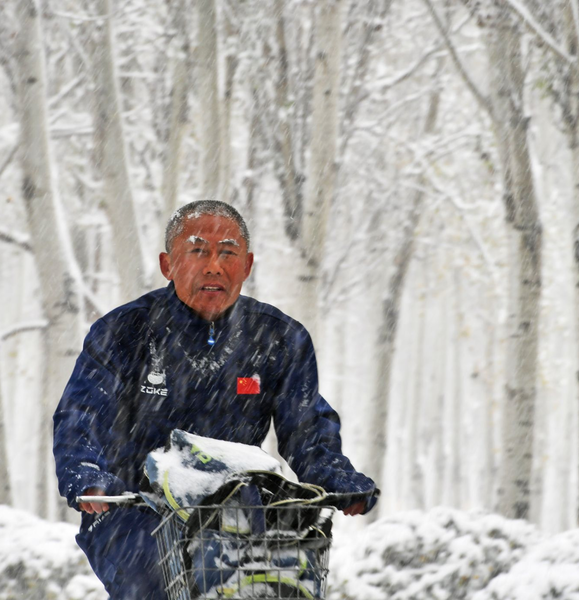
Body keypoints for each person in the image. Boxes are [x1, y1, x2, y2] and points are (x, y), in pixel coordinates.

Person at [53, 200, 377, 599]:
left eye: (227, 252)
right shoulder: (123, 331)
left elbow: (308, 429)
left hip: (237, 514)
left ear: (247, 265)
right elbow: (79, 415)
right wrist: (87, 476)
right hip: (135, 515)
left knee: (285, 584)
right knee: (156, 580)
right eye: (197, 251)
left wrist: (336, 476)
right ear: (167, 264)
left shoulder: (279, 338)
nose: (213, 266)